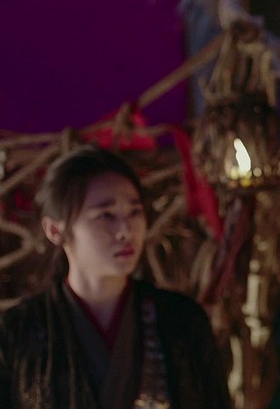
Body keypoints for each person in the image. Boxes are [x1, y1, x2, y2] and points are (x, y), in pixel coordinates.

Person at [0, 145, 231, 408]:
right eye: (105, 215)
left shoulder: (182, 319)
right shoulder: (17, 330)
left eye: (134, 212)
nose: (126, 231)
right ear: (55, 230)